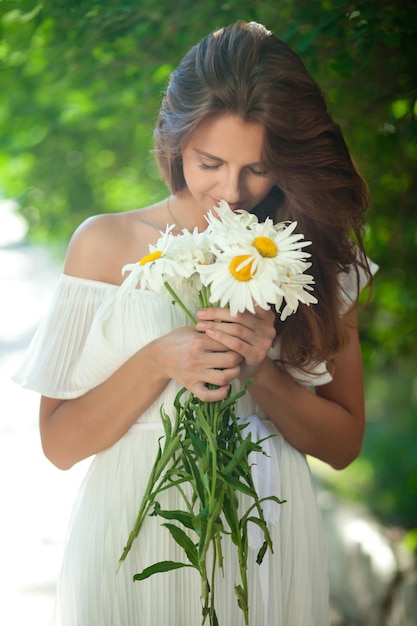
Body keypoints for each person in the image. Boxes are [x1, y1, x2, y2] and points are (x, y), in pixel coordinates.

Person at [13, 20, 377, 626]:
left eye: (260, 169)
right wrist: (158, 360)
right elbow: (59, 444)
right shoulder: (107, 244)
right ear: (173, 137)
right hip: (132, 539)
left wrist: (261, 373)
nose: (231, 192)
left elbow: (344, 447)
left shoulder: (315, 257)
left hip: (268, 546)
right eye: (210, 162)